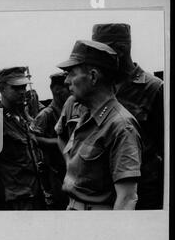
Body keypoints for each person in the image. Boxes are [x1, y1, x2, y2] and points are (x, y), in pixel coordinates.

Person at [56, 40, 142, 210]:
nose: (66, 81)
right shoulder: (86, 115)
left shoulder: (121, 126)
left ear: (93, 77)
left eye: (72, 73)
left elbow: (127, 199)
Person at [92, 23, 164, 210]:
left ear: (121, 50)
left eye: (102, 53)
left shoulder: (154, 88)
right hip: (104, 192)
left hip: (142, 193)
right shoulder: (101, 86)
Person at [0, 67, 46, 210]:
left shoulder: (22, 117)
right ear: (2, 89)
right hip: (15, 201)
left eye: (24, 87)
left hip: (35, 194)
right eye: (16, 88)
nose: (22, 92)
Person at [32, 72, 71, 209]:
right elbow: (34, 138)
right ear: (57, 90)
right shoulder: (46, 114)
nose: (71, 89)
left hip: (67, 168)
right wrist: (56, 142)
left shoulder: (67, 111)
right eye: (68, 87)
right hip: (53, 171)